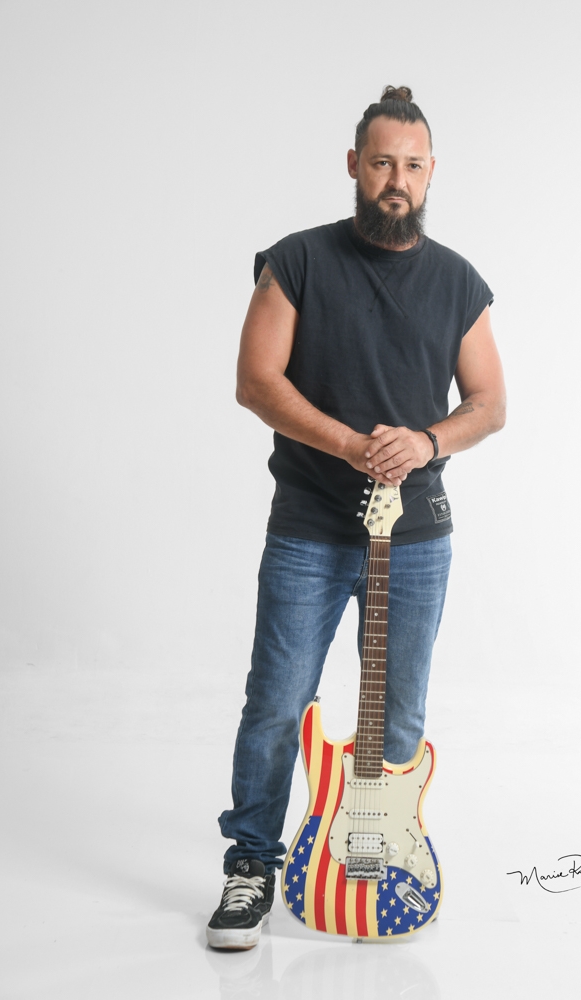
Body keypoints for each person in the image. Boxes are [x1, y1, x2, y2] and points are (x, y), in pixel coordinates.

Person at [206, 85, 506, 950]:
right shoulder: (297, 261)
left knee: (399, 715)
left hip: (415, 538)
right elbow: (255, 381)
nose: (396, 180)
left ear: (431, 173)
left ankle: (380, 856)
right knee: (277, 703)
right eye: (381, 163)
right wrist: (348, 444)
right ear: (353, 166)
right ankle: (251, 866)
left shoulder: (459, 281)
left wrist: (426, 441)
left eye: (411, 166)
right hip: (310, 526)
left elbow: (489, 404)